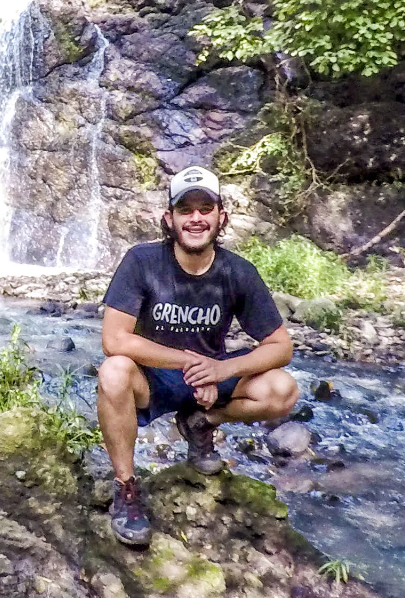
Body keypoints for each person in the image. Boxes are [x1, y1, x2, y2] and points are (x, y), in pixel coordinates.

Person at [96, 166, 298, 547]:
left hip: (213, 373)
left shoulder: (238, 272)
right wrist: (191, 364)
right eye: (185, 209)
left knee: (283, 388)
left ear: (221, 217)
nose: (196, 218)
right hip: (155, 375)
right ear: (168, 218)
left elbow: (281, 347)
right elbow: (114, 339)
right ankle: (126, 489)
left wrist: (222, 369)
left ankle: (203, 422)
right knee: (112, 372)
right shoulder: (141, 262)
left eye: (206, 208)